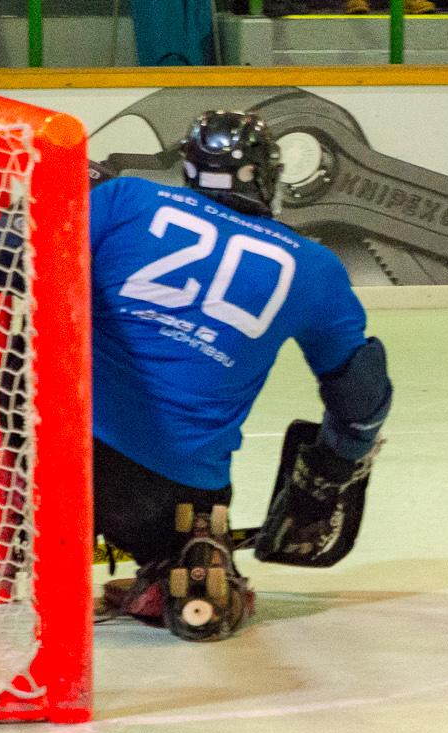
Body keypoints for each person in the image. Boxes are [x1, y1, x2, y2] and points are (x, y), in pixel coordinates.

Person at [82, 112, 392, 639]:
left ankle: (9, 532)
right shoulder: (311, 266)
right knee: (177, 513)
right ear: (267, 179)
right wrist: (333, 468)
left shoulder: (123, 198)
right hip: (169, 491)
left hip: (58, 463)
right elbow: (361, 396)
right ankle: (188, 561)